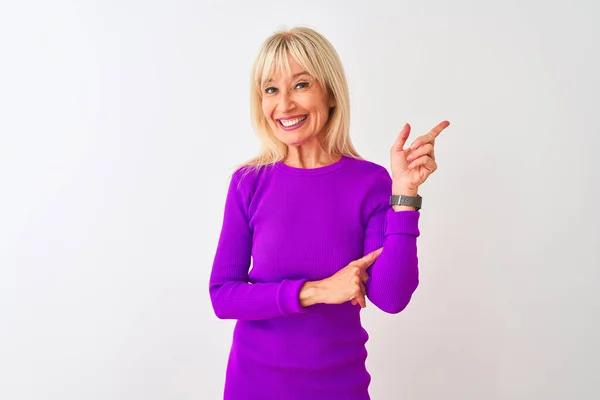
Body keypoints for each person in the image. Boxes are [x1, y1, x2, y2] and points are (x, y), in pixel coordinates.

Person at [209, 26, 450, 400]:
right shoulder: (248, 183)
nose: (284, 104)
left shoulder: (369, 182)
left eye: (301, 85)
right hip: (254, 388)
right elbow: (223, 296)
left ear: (331, 93)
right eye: (271, 89)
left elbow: (390, 296)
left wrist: (404, 194)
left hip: (340, 389)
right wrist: (317, 291)